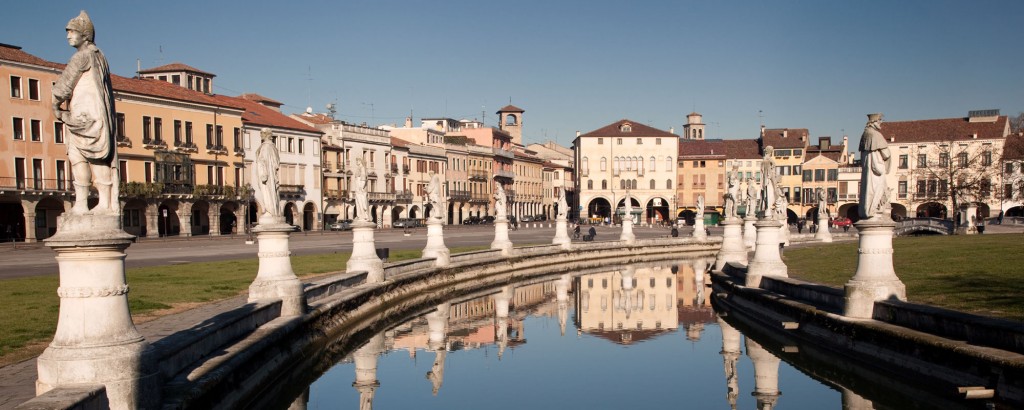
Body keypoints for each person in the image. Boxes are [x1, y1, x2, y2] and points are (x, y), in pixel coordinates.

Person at [54, 10, 119, 214]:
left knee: (79, 158)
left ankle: (82, 204)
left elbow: (63, 86)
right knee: (99, 157)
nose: (68, 36)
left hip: (82, 117)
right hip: (98, 118)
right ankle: (105, 203)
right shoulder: (101, 57)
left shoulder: (82, 56)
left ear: (85, 35)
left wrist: (56, 103)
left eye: (72, 31)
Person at [859, 113, 892, 220]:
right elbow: (886, 154)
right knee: (876, 189)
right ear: (873, 122)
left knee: (868, 189)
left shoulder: (864, 135)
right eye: (879, 121)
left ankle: (867, 209)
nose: (881, 123)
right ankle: (874, 209)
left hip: (867, 170)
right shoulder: (876, 135)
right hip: (876, 169)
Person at [252, 128, 281, 218]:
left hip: (267, 176)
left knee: (268, 192)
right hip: (269, 175)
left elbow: (263, 161)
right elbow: (276, 162)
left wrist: (264, 174)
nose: (260, 134)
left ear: (266, 134)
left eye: (262, 133)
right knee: (269, 192)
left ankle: (270, 210)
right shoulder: (270, 146)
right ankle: (272, 210)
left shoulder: (266, 147)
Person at [353, 158, 370, 223]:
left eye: (357, 160)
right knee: (358, 202)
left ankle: (364, 216)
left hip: (360, 188)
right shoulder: (358, 168)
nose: (356, 161)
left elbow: (363, 178)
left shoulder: (362, 168)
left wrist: (361, 186)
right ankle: (359, 215)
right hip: (357, 188)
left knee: (361, 202)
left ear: (360, 161)